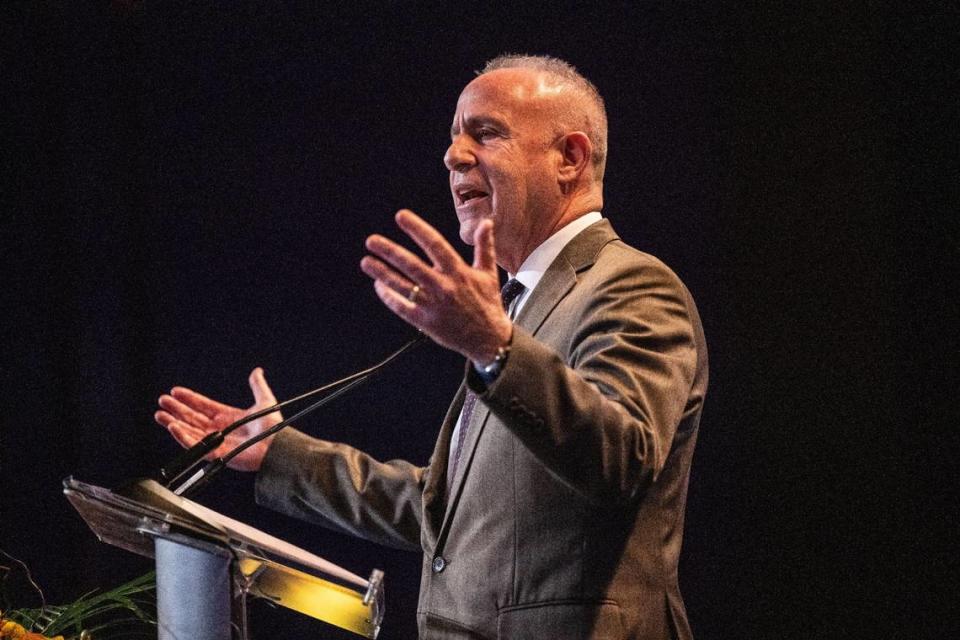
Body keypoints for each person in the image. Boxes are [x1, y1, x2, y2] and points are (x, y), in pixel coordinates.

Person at [155, 54, 708, 640]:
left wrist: (496, 349)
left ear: (568, 158)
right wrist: (277, 455)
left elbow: (622, 460)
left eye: (486, 132)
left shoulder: (631, 285)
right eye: (453, 136)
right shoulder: (519, 307)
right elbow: (441, 512)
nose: (453, 155)